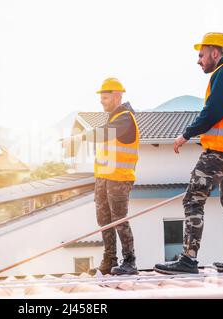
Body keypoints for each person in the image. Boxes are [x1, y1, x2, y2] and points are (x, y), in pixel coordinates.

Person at [154, 33, 223, 275]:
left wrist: (187, 134)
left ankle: (188, 259)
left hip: (220, 149)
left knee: (193, 199)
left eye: (201, 55)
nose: (199, 61)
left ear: (215, 53)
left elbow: (214, 110)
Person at [92, 78, 140, 275]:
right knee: (104, 220)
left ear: (117, 96)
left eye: (105, 97)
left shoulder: (125, 118)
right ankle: (110, 258)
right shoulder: (113, 118)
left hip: (119, 178)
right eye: (101, 97)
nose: (101, 101)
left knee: (119, 219)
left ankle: (130, 261)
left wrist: (78, 138)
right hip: (104, 178)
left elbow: (103, 134)